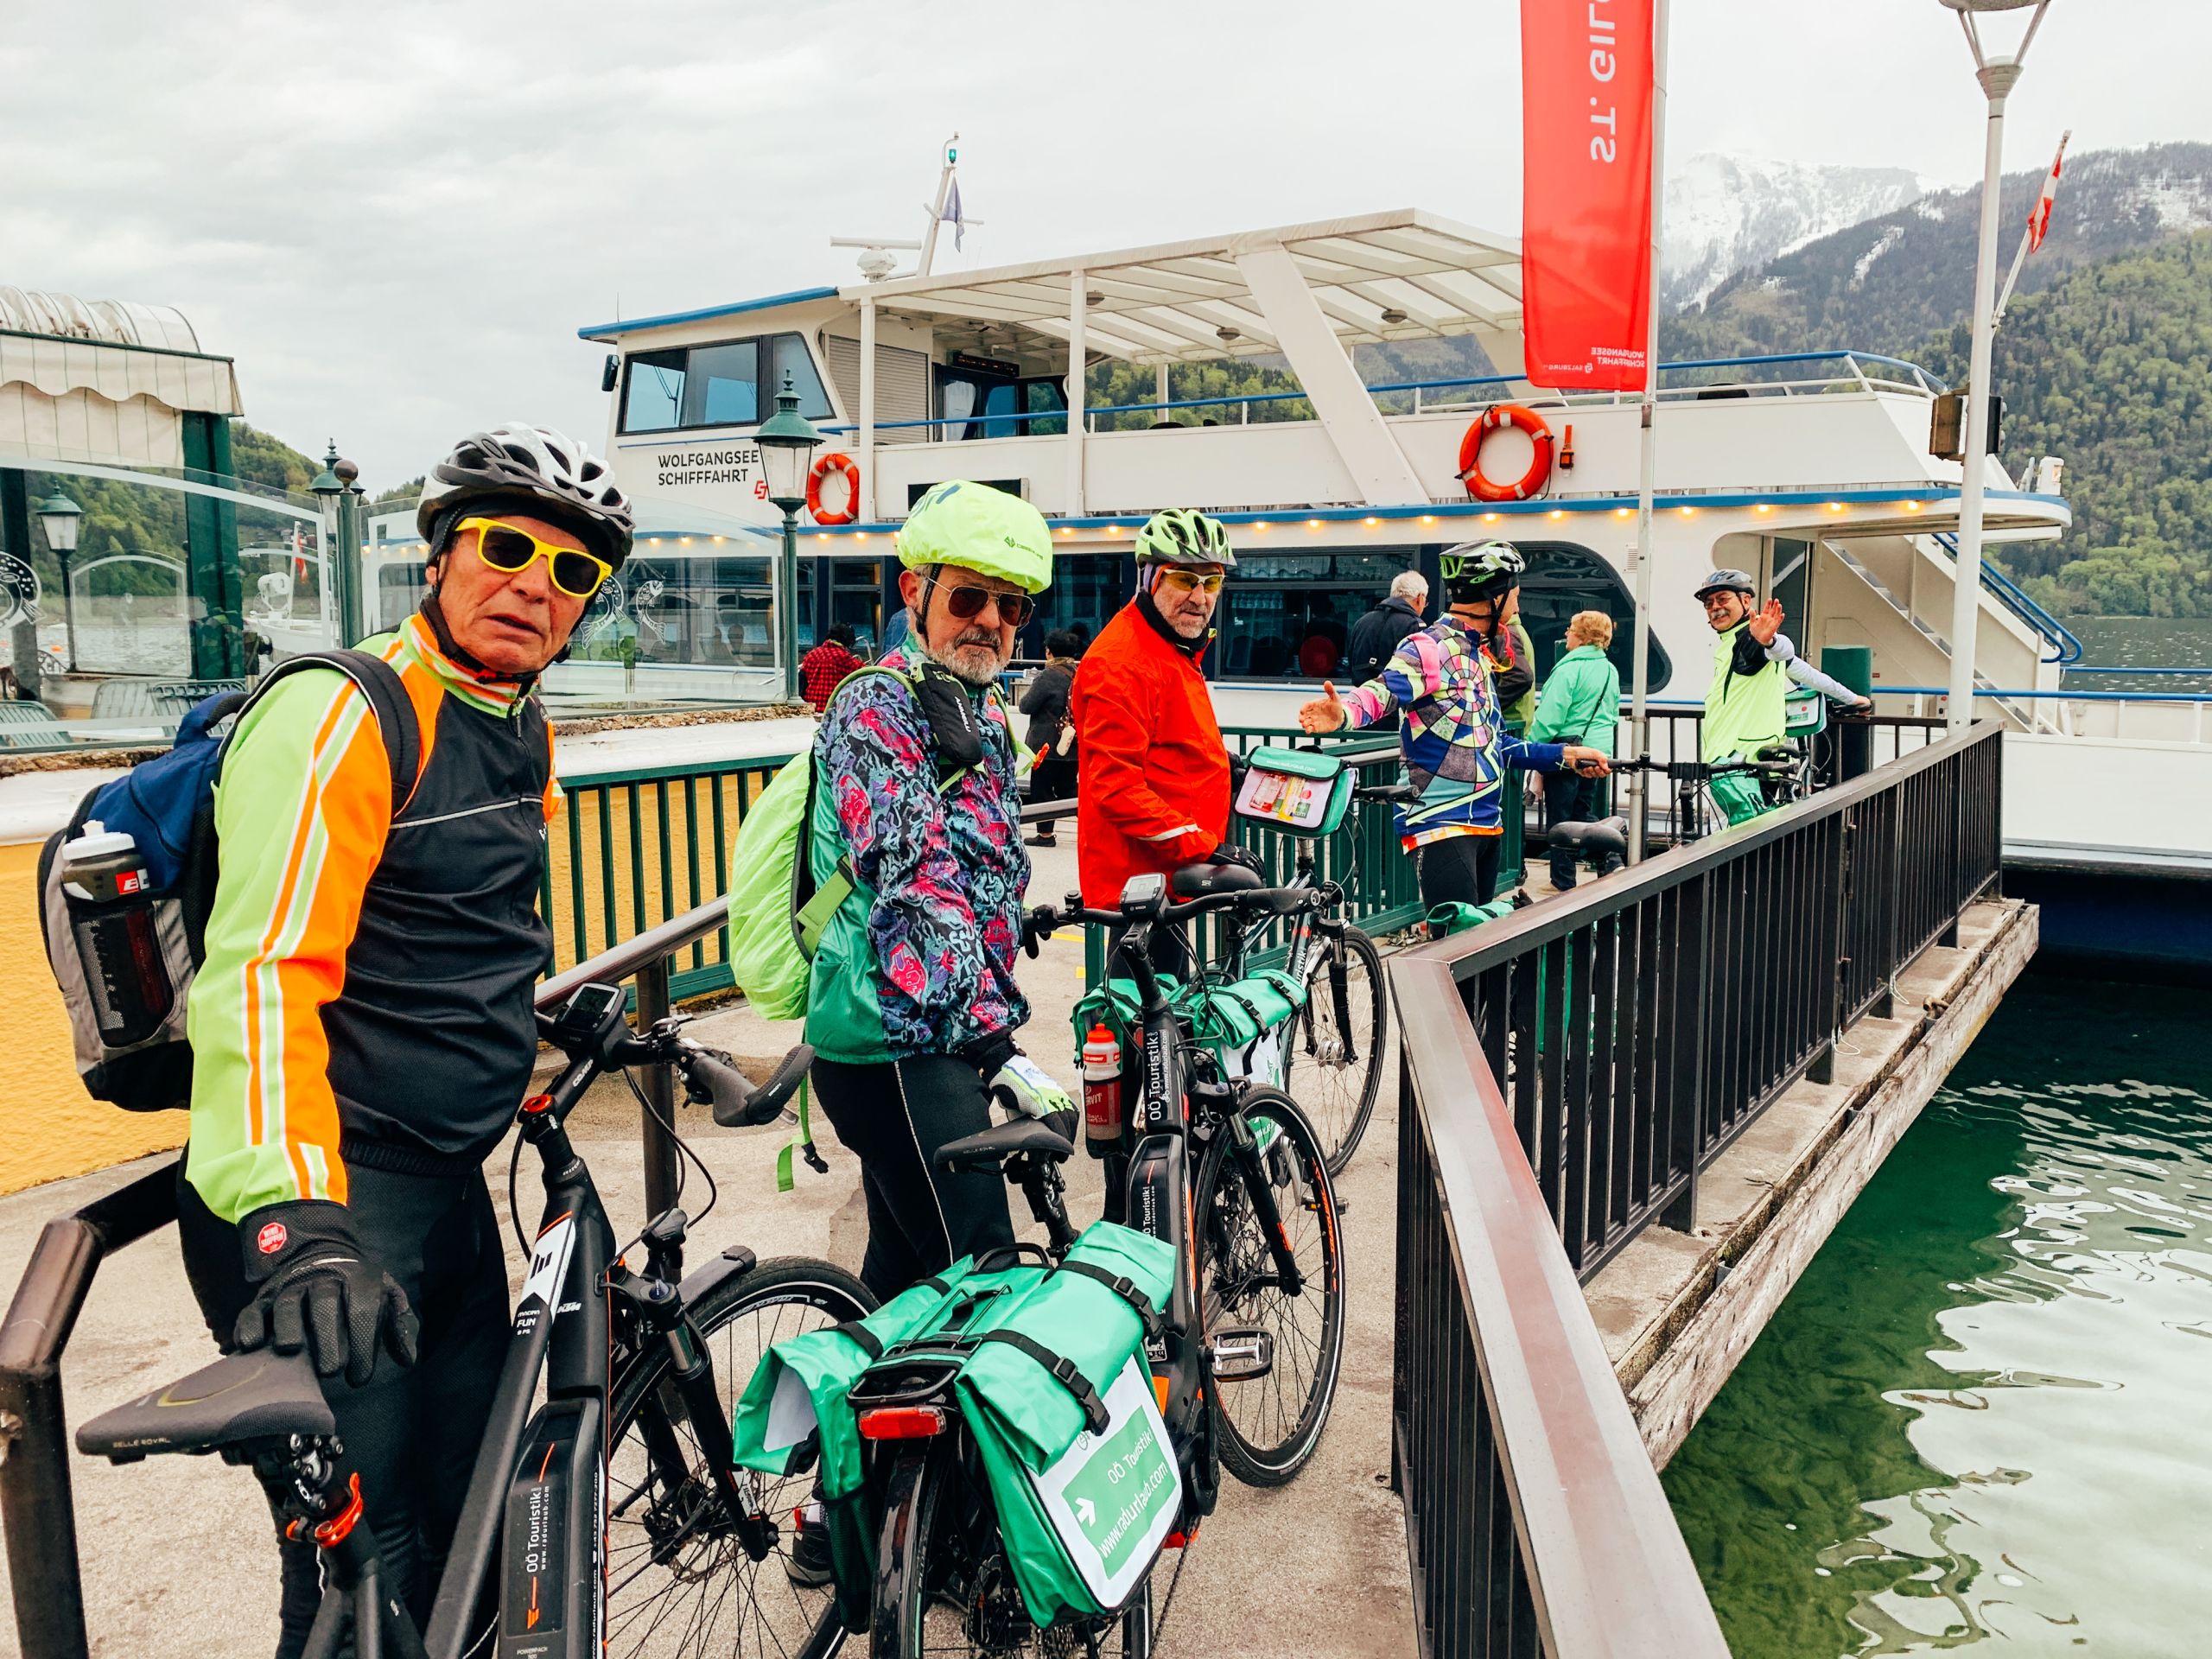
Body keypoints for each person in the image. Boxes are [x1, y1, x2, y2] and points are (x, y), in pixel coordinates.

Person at [178, 423, 632, 1656]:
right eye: (506, 546)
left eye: (575, 572)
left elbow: (459, 930)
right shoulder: (345, 714)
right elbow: (263, 976)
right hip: (325, 1208)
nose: (536, 584)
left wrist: (538, 1022)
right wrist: (296, 1228)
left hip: (440, 1192)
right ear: (439, 555)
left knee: (473, 1540)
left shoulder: (519, 725)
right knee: (354, 1576)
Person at [802, 480, 1071, 1306]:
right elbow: (914, 890)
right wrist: (1000, 1049)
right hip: (894, 1044)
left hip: (931, 1030)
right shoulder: (878, 708)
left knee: (903, 1277)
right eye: (968, 596)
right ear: (914, 592)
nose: (990, 620)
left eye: (1011, 605)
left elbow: (971, 863)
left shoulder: (977, 707)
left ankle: (828, 1433)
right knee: (984, 1278)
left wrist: (1012, 921)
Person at [1298, 542, 1608, 910]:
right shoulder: (1428, 646)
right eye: (1515, 597)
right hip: (1442, 821)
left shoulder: (1479, 655)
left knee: (1478, 955)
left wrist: (1565, 756)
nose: (1518, 607)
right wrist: (1344, 713)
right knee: (1454, 948)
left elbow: (1497, 743)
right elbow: (1382, 691)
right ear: (1494, 597)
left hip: (1485, 822)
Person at [1071, 507, 1254, 980]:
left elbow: (1167, 740)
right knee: (1146, 1038)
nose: (1199, 596)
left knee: (1170, 1028)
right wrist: (1207, 847)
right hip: (1143, 884)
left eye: (1211, 582)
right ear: (1150, 578)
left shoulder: (1167, 645)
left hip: (1167, 878)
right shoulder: (1124, 662)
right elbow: (1116, 788)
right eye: (1184, 579)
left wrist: (1222, 764)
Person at [1693, 568, 1872, 825]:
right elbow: (1810, 675)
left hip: (1743, 765)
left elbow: (1779, 647)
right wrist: (1852, 699)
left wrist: (1769, 641)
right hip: (1736, 763)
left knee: (1739, 841)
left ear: (1745, 601)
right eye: (1709, 604)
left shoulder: (1749, 641)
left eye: (1723, 599)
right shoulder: (1731, 644)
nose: (1715, 608)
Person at [1529, 611, 1624, 888]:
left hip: (1567, 752)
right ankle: (1611, 860)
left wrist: (1532, 746)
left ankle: (1563, 881)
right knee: (1582, 811)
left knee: (1560, 821)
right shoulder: (1610, 669)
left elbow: (1550, 717)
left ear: (1582, 636)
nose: (1566, 634)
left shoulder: (1568, 669)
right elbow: (1611, 713)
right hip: (1597, 752)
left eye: (1571, 629)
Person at [1020, 628, 1081, 847]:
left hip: (1046, 745)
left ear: (1049, 652)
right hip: (1074, 745)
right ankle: (1092, 831)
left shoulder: (1048, 676)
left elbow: (1026, 706)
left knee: (1042, 789)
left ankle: (1045, 836)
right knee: (1070, 789)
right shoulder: (1080, 674)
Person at [1347, 570, 1429, 682]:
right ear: (1420, 598)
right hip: (1396, 696)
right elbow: (1419, 674)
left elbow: (1351, 664)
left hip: (1362, 694)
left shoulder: (1361, 622)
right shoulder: (1415, 626)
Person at [799, 620, 863, 711]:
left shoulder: (812, 654)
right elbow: (865, 671)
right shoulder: (844, 658)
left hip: (812, 708)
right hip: (833, 709)